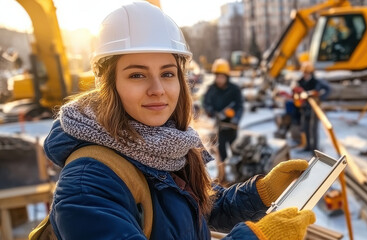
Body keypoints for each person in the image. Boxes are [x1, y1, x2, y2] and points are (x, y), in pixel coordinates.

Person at [42, 2, 315, 239]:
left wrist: (261, 192)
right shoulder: (87, 184)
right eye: (137, 75)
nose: (157, 89)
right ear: (108, 84)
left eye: (168, 73)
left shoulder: (165, 147)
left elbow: (197, 208)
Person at [202, 58, 243, 182]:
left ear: (226, 76)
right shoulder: (211, 89)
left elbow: (240, 106)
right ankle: (223, 176)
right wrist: (211, 112)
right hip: (219, 126)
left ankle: (239, 175)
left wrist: (236, 118)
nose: (219, 79)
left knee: (236, 150)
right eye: (217, 76)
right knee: (221, 152)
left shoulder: (234, 89)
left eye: (222, 77)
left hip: (232, 126)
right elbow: (205, 103)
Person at [292, 61, 330, 152]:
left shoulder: (316, 82)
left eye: (307, 73)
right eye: (304, 72)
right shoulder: (300, 82)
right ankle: (308, 146)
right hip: (304, 108)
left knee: (313, 128)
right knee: (305, 127)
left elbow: (328, 89)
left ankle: (315, 148)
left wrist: (320, 97)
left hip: (314, 108)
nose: (305, 74)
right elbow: (296, 93)